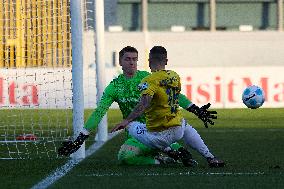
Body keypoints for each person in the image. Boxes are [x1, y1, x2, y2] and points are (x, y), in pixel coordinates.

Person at [58, 46, 222, 167]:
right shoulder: (114, 87)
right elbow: (99, 112)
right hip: (138, 136)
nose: (132, 63)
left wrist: (195, 108)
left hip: (157, 129)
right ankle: (165, 156)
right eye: (127, 59)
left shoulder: (147, 78)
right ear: (120, 62)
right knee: (125, 158)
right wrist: (81, 138)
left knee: (174, 139)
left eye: (134, 59)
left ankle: (172, 150)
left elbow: (174, 96)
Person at [111, 46, 224, 167]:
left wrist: (126, 120)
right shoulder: (174, 76)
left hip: (159, 134)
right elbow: (177, 96)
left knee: (130, 126)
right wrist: (196, 110)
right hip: (178, 128)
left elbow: (144, 103)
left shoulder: (148, 80)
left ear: (149, 61)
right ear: (166, 61)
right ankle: (211, 158)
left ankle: (169, 151)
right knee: (184, 123)